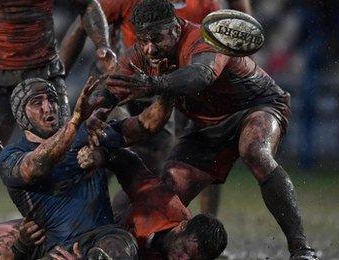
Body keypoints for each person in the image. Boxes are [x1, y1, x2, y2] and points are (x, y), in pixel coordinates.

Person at [103, 0, 317, 258]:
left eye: (157, 38)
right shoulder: (141, 54)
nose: (150, 48)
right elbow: (108, 92)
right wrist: (86, 117)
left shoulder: (205, 37)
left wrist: (152, 84)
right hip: (206, 125)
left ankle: (300, 248)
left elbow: (201, 75)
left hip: (256, 105)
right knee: (168, 191)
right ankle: (122, 246)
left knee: (255, 150)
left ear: (174, 27)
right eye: (143, 40)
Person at [0, 0, 116, 232]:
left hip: (43, 72)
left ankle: (71, 230)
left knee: (64, 155)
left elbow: (87, 5)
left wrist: (103, 45)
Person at [60, 0, 253, 218]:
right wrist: (59, 79)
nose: (150, 46)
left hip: (164, 85)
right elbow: (82, 22)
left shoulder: (205, 4)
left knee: (157, 163)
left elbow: (220, 42)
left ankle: (118, 221)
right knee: (106, 141)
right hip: (122, 79)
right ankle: (72, 217)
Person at [0, 77, 138, 259]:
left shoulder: (88, 133)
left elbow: (146, 126)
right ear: (21, 115)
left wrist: (161, 87)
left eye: (52, 100)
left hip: (103, 238)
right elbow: (36, 166)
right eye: (37, 102)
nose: (48, 108)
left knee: (117, 249)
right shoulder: (11, 155)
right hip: (56, 250)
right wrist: (21, 247)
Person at [77, 142, 227, 259]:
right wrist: (100, 156)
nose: (183, 259)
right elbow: (129, 165)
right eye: (185, 250)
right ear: (182, 226)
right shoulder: (162, 203)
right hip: (100, 232)